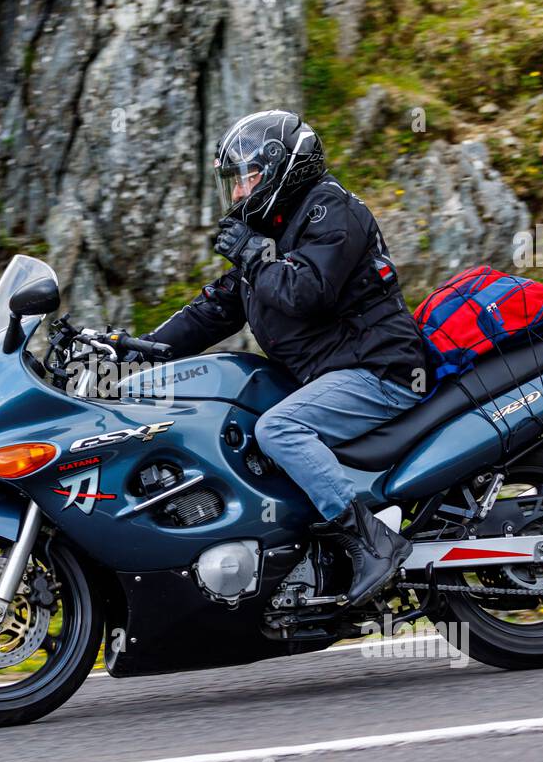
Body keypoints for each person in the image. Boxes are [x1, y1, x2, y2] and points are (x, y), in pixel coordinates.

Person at [137, 110, 430, 605]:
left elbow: (305, 291)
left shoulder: (331, 211)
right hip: (333, 373)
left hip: (383, 371)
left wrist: (253, 253)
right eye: (232, 182)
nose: (235, 194)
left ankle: (372, 542)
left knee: (280, 429)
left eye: (245, 178)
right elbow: (217, 308)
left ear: (281, 169)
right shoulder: (275, 229)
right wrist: (139, 349)